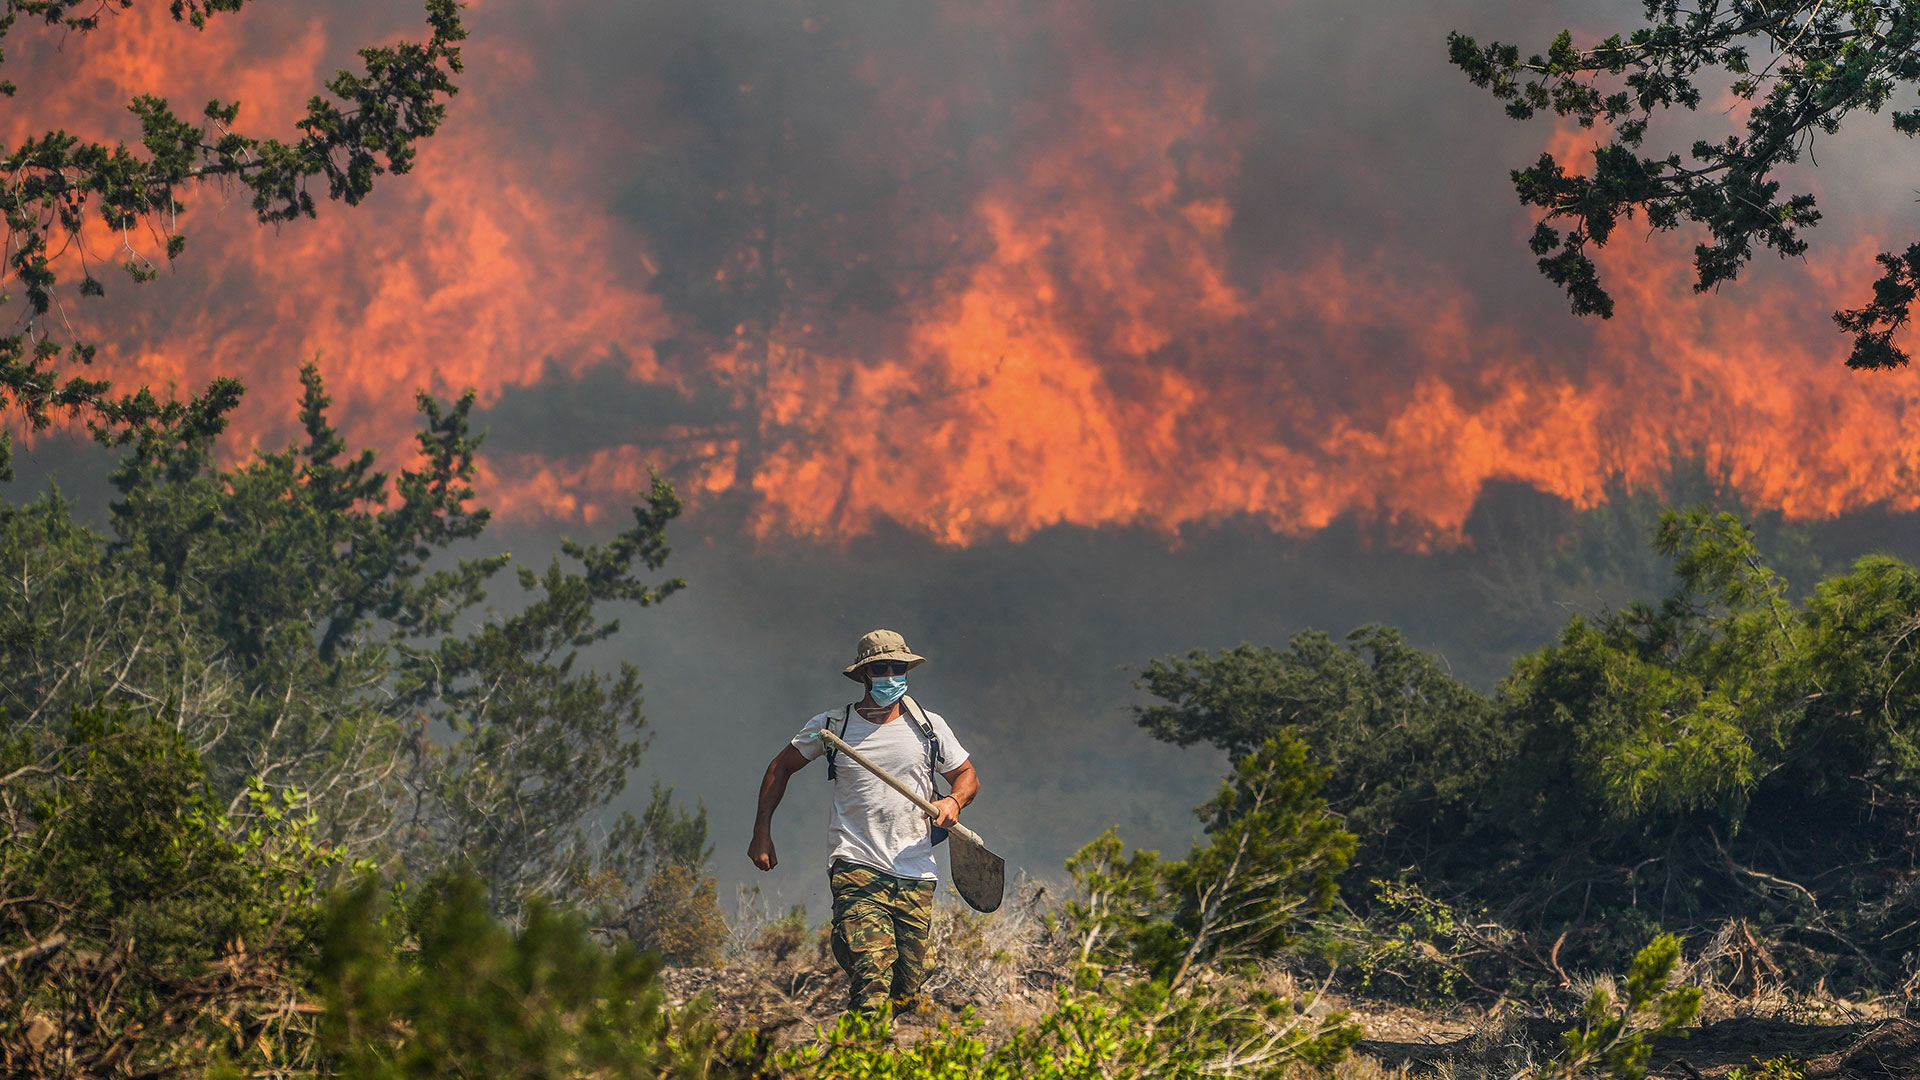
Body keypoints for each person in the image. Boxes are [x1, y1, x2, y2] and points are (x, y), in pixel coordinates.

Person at [748, 629, 980, 1014]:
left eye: (897, 667)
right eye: (881, 668)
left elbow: (967, 775)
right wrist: (761, 833)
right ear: (863, 675)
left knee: (907, 986)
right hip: (856, 863)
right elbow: (780, 767)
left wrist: (954, 801)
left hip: (915, 869)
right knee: (873, 975)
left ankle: (851, 948)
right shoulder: (833, 727)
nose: (891, 675)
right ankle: (859, 1051)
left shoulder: (929, 727)